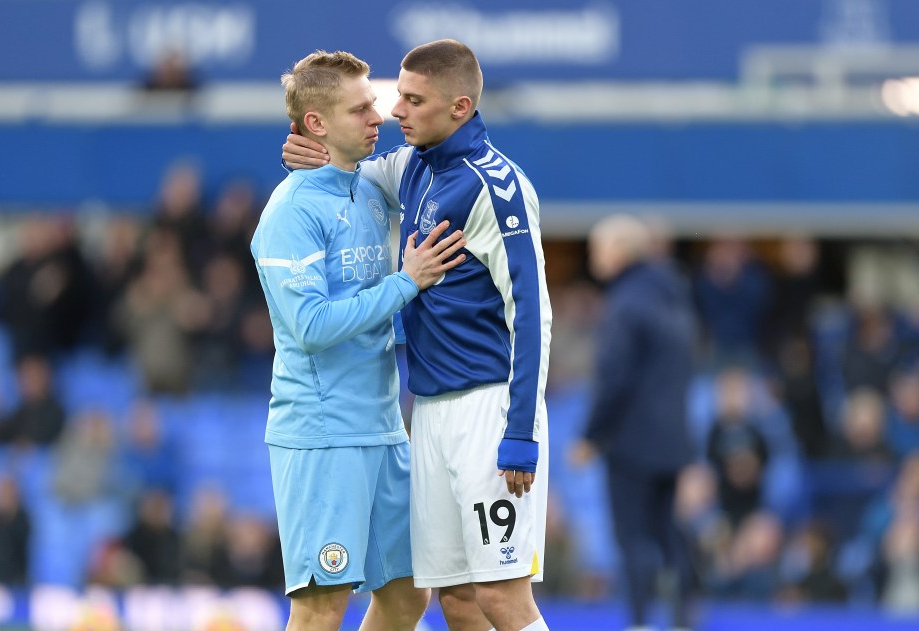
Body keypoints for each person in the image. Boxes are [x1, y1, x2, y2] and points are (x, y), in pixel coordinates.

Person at [284, 39, 553, 631]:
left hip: (488, 409)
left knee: (503, 597)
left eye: (412, 99)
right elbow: (344, 161)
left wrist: (521, 433)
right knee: (455, 598)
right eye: (393, 97)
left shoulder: (497, 187)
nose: (394, 112)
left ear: (459, 106)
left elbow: (532, 313)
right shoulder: (411, 166)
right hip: (427, 413)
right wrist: (312, 148)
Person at [252, 50, 467, 631]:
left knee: (404, 597)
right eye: (361, 108)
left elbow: (434, 156)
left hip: (382, 429)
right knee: (321, 607)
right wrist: (407, 282)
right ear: (316, 124)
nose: (379, 116)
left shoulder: (370, 185)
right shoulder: (289, 212)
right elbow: (312, 327)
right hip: (323, 436)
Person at [569, 215, 697, 631]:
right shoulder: (674, 296)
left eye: (598, 248)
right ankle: (682, 618)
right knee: (668, 532)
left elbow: (613, 377)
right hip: (673, 437)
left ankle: (639, 622)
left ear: (621, 251)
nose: (593, 257)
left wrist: (591, 436)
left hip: (631, 440)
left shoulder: (625, 302)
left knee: (634, 536)